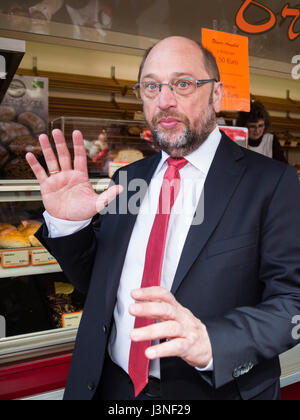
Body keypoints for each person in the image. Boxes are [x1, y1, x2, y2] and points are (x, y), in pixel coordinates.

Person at [26, 36, 300, 401]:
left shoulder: (271, 182)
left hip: (213, 390)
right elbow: (98, 284)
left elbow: (292, 302)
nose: (165, 101)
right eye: (152, 86)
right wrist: (70, 225)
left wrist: (215, 341)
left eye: (183, 83)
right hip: (110, 385)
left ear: (217, 95)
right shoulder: (128, 178)